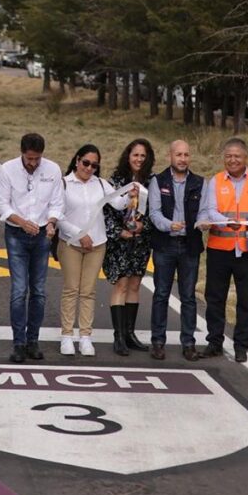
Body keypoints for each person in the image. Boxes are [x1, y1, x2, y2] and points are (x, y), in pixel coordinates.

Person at [196, 137, 248, 363]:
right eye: (228, 156)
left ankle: (241, 346)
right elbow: (211, 211)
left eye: (237, 156)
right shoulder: (216, 181)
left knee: (246, 300)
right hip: (220, 248)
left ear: (246, 158)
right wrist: (226, 221)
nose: (232, 160)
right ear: (223, 158)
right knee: (215, 297)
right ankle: (214, 342)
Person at [0, 132, 64, 363]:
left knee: (39, 291)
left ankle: (33, 341)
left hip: (43, 234)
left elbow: (57, 202)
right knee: (19, 290)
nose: (32, 163)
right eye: (29, 159)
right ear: (22, 153)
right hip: (16, 233)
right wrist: (22, 222)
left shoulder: (52, 170)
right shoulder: (7, 170)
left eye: (37, 159)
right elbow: (2, 203)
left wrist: (52, 223)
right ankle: (18, 343)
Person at [56, 144, 130, 357]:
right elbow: (58, 215)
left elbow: (118, 203)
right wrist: (79, 234)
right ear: (77, 160)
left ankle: (85, 336)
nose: (89, 168)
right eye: (86, 163)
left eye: (94, 165)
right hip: (71, 243)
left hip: (97, 244)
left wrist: (131, 193)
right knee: (71, 289)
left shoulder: (101, 183)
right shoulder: (64, 183)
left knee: (88, 291)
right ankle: (67, 335)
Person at [147, 140, 204, 361]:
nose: (182, 159)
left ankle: (188, 343)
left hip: (190, 245)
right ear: (170, 156)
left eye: (186, 155)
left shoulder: (200, 182)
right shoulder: (158, 181)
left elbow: (206, 210)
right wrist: (168, 224)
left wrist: (201, 222)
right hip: (165, 244)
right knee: (161, 294)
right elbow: (154, 212)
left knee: (188, 296)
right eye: (178, 154)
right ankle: (158, 342)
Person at [103, 139, 155, 356]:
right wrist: (119, 232)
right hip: (120, 242)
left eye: (143, 156)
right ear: (128, 156)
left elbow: (156, 211)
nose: (139, 159)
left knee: (135, 285)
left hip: (140, 242)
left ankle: (129, 333)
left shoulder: (152, 183)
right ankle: (118, 336)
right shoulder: (115, 181)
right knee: (121, 286)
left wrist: (144, 226)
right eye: (136, 155)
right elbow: (106, 211)